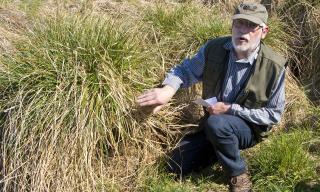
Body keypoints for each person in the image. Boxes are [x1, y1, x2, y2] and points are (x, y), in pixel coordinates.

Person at [137, 2, 286, 192]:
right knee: (173, 166)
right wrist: (167, 90)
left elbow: (273, 115)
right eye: (239, 23)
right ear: (232, 26)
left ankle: (238, 176)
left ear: (264, 31)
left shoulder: (275, 66)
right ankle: (219, 149)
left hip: (249, 128)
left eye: (251, 25)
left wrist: (231, 109)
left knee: (217, 124)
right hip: (213, 123)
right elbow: (185, 70)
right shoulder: (214, 49)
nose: (243, 31)